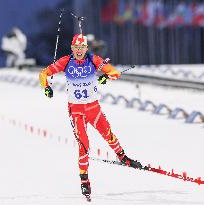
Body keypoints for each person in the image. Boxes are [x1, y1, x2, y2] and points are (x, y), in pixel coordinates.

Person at [39, 33, 142, 199]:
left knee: (108, 134)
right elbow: (44, 73)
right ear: (72, 48)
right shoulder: (66, 61)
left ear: (86, 48)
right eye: (76, 47)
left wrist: (106, 77)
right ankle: (84, 180)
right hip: (76, 111)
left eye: (82, 47)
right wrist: (46, 87)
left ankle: (123, 157)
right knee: (84, 145)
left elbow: (115, 72)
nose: (79, 50)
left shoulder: (93, 59)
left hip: (93, 108)